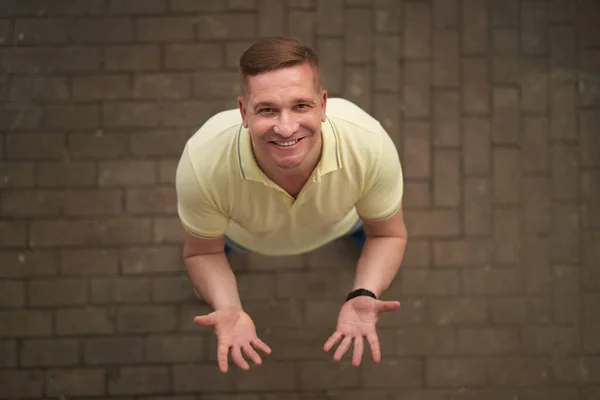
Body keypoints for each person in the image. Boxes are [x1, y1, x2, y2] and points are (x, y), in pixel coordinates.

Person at [175, 36, 408, 374]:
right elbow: (203, 251)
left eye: (301, 106)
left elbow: (386, 234)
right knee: (218, 255)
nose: (286, 128)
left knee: (368, 234)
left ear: (323, 104)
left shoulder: (369, 145)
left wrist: (366, 291)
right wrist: (228, 306)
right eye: (267, 109)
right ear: (243, 112)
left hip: (342, 220)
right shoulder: (203, 162)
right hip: (244, 235)